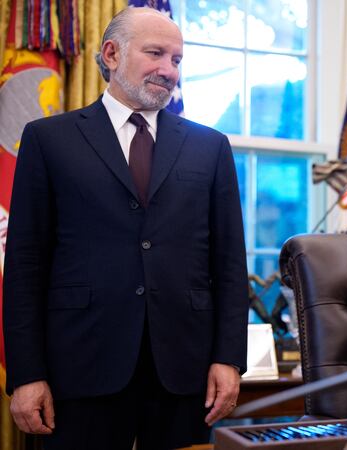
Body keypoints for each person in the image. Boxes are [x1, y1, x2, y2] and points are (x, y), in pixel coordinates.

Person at [3, 7, 249, 449]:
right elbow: (24, 266)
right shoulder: (47, 139)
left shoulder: (210, 147)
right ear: (111, 54)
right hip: (79, 367)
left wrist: (229, 359)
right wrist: (27, 374)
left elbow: (229, 264)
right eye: (156, 53)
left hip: (184, 371)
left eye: (176, 59)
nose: (168, 70)